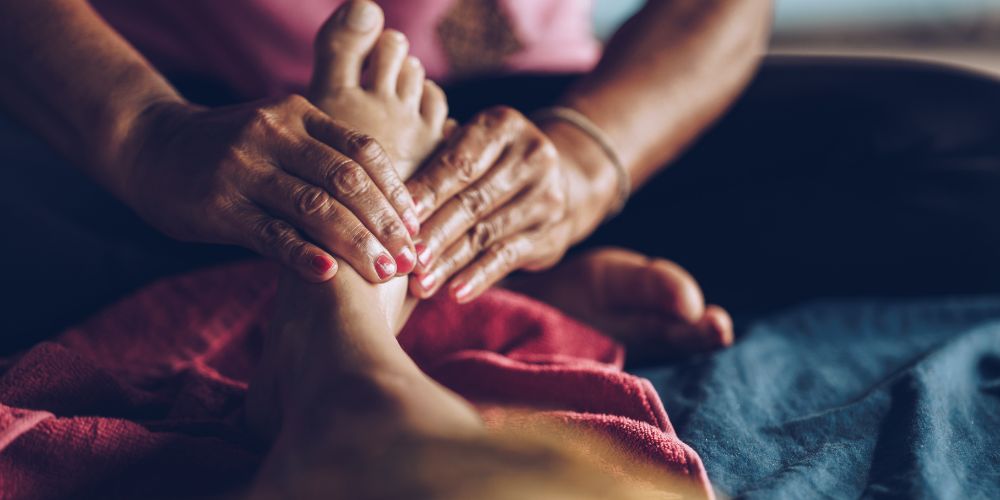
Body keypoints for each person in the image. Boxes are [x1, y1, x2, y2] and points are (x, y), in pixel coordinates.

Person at [0, 0, 766, 351]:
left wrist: (588, 161)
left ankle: (363, 305)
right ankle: (458, 306)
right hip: (176, 112)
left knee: (889, 142)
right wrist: (143, 136)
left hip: (538, 118)